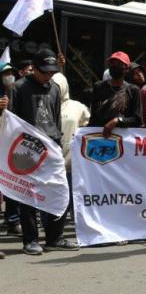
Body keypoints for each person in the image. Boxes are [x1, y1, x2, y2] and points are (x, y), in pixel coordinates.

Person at [10, 49, 79, 255]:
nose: (48, 75)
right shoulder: (18, 88)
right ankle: (30, 240)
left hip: (52, 147)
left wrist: (56, 142)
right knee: (29, 196)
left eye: (51, 72)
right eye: (43, 71)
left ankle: (54, 237)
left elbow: (56, 118)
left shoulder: (55, 88)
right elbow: (12, 122)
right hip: (28, 149)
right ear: (34, 68)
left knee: (58, 192)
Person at [52, 72, 90, 216]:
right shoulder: (44, 104)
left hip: (73, 160)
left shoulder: (77, 107)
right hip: (52, 159)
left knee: (74, 192)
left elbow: (89, 126)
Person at [89, 51, 142, 137]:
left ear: (126, 69)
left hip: (123, 140)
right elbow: (93, 117)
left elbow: (137, 119)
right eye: (112, 63)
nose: (114, 66)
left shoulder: (133, 90)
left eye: (119, 64)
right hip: (99, 136)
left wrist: (117, 121)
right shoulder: (98, 87)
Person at [0, 62, 22, 236]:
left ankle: (13, 220)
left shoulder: (18, 90)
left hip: (12, 146)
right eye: (5, 72)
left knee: (13, 185)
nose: (9, 75)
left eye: (10, 72)